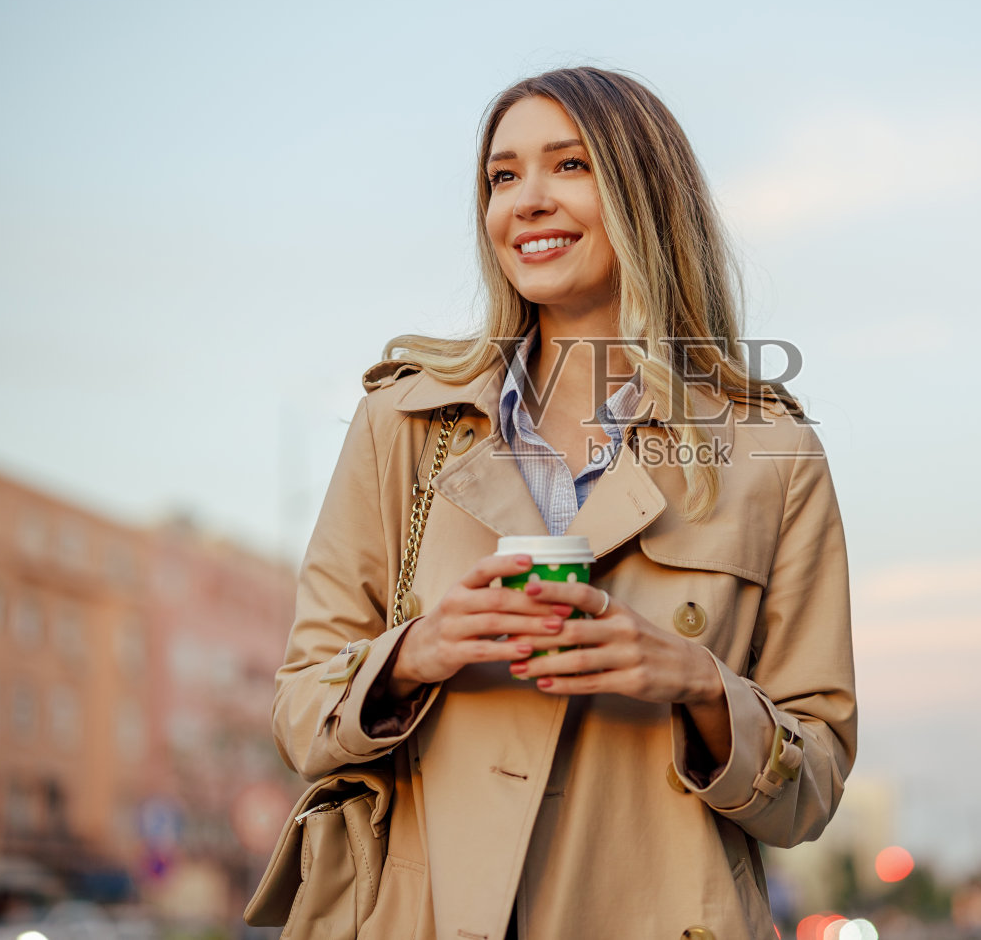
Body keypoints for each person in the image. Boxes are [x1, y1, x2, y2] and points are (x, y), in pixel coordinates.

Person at [270, 67, 856, 940]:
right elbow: (298, 711)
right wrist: (416, 650)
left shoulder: (772, 451)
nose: (527, 201)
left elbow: (811, 785)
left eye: (569, 166)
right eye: (503, 177)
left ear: (646, 196)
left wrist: (696, 682)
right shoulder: (402, 423)